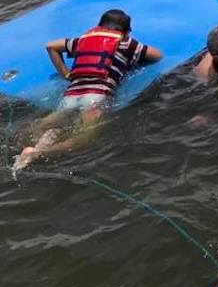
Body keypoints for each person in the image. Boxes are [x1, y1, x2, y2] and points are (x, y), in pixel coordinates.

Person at [13, 9, 163, 170]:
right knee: (85, 138)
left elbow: (51, 46)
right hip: (96, 98)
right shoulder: (126, 43)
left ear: (98, 26)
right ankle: (39, 153)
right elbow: (157, 55)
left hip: (71, 95)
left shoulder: (82, 40)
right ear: (125, 32)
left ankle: (29, 145)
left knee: (46, 122)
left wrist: (64, 73)